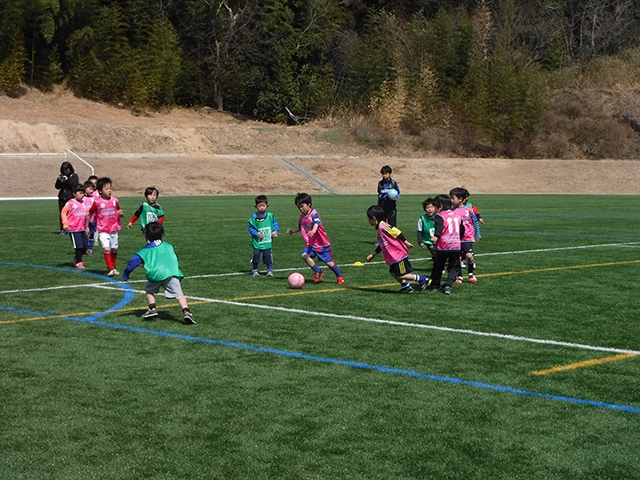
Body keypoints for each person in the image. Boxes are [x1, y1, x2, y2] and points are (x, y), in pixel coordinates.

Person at [122, 222, 196, 325]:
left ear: (146, 236)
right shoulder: (169, 246)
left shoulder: (144, 251)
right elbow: (175, 258)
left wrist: (126, 274)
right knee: (179, 295)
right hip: (172, 273)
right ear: (163, 234)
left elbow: (132, 263)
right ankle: (187, 312)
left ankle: (152, 308)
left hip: (156, 274)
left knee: (149, 291)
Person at [366, 205, 428, 293]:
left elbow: (396, 232)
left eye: (368, 218)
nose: (368, 221)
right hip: (393, 257)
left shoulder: (384, 226)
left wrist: (405, 242)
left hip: (398, 255)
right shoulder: (380, 229)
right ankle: (406, 286)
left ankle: (423, 279)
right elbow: (382, 244)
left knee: (402, 275)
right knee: (393, 273)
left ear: (373, 218)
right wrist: (373, 254)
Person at [286, 192, 344, 284]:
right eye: (298, 207)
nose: (300, 209)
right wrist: (293, 231)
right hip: (310, 244)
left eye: (302, 206)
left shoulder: (314, 214)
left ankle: (339, 276)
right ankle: (318, 271)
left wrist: (313, 230)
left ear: (309, 204)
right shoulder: (302, 217)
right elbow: (301, 227)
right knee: (304, 256)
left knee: (329, 263)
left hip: (321, 244)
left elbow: (317, 222)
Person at [427, 194, 463, 295]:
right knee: (454, 267)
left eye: (434, 206)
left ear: (440, 207)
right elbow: (462, 229)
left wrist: (436, 236)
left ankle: (435, 285)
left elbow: (439, 227)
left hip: (443, 246)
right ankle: (448, 284)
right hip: (455, 245)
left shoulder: (440, 215)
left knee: (438, 266)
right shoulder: (457, 215)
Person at [87, 177, 123, 276]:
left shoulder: (115, 200)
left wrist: (120, 214)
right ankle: (110, 268)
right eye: (106, 189)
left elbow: (119, 211)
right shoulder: (97, 202)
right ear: (99, 191)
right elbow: (90, 213)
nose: (109, 191)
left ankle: (113, 266)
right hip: (102, 229)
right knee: (107, 249)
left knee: (114, 249)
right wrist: (87, 226)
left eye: (110, 188)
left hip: (114, 228)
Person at [450, 187, 478, 284]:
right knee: (457, 257)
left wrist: (477, 234)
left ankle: (471, 273)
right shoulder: (452, 211)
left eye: (453, 198)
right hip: (456, 238)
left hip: (467, 237)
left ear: (461, 199)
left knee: (469, 256)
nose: (451, 200)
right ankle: (460, 276)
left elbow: (475, 221)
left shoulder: (469, 210)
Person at [248, 194, 279, 276]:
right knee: (256, 255)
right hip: (257, 242)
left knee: (268, 256)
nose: (261, 208)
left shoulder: (270, 216)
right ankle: (255, 270)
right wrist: (256, 233)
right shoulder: (254, 217)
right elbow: (250, 228)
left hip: (267, 242)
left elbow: (275, 224)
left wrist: (275, 231)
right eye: (259, 206)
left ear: (267, 205)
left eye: (263, 206)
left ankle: (270, 270)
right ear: (255, 206)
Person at [60, 184, 90, 269]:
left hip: (82, 228)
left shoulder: (83, 203)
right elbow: (63, 212)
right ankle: (79, 262)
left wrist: (87, 225)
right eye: (80, 193)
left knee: (85, 246)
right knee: (78, 246)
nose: (82, 195)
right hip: (74, 228)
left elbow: (87, 213)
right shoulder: (70, 203)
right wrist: (65, 224)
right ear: (74, 193)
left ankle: (76, 258)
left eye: (83, 193)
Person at [55, 161, 79, 234]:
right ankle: (62, 228)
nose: (65, 171)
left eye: (66, 169)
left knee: (71, 213)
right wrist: (59, 181)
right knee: (62, 213)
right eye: (63, 170)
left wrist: (67, 180)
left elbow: (74, 185)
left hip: (70, 197)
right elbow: (57, 186)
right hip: (62, 197)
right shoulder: (61, 175)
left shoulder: (74, 176)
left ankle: (72, 227)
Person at [82, 181, 97, 255]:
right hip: (84, 220)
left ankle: (90, 249)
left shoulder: (94, 199)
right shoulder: (82, 199)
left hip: (93, 219)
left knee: (92, 234)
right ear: (85, 189)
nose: (91, 191)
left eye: (92, 189)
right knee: (84, 234)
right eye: (90, 189)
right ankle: (83, 247)